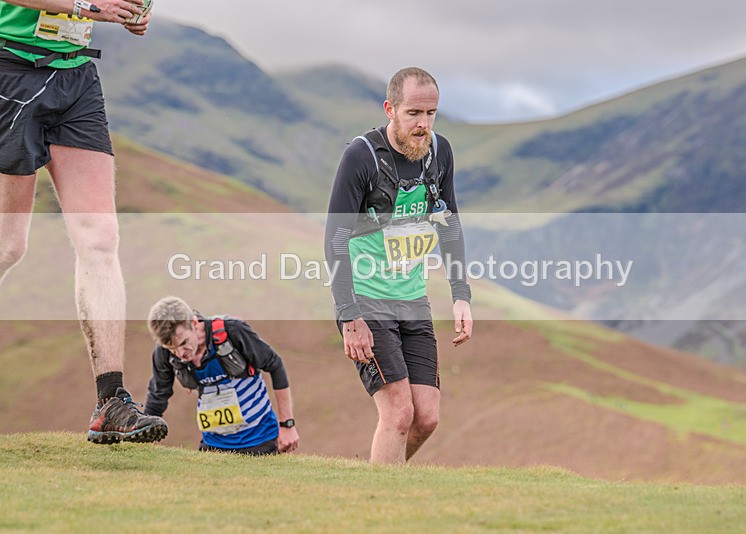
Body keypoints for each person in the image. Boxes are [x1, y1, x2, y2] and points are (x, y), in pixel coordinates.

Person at [0, 1, 167, 443]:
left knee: (100, 238)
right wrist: (87, 5)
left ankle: (111, 402)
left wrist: (128, 15)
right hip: (10, 68)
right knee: (8, 247)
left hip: (75, 79)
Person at [324, 67, 473, 464]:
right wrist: (348, 315)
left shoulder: (440, 153)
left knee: (426, 417)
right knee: (398, 413)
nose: (423, 125)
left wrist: (461, 297)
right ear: (390, 109)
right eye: (413, 114)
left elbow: (449, 224)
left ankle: (381, 477)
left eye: (431, 114)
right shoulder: (362, 156)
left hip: (412, 300)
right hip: (366, 301)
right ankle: (378, 505)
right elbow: (335, 239)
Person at [144, 296, 300, 455]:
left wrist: (287, 425)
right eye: (172, 348)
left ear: (194, 323)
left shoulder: (232, 331)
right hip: (212, 445)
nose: (180, 353)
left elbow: (275, 365)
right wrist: (144, 440)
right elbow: (158, 395)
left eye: (184, 343)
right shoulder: (164, 354)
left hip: (260, 439)